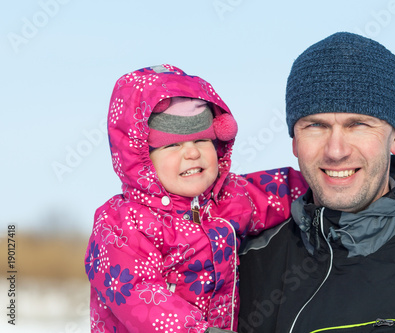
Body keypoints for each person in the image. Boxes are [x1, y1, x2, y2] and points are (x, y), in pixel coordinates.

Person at [237, 32, 395, 333]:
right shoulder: (244, 264)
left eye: (358, 125)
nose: (336, 150)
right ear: (294, 141)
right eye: (316, 126)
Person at [84, 64, 307, 333]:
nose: (191, 154)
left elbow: (282, 189)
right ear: (142, 158)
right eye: (172, 145)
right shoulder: (123, 221)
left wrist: (326, 183)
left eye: (201, 141)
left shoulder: (230, 197)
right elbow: (135, 292)